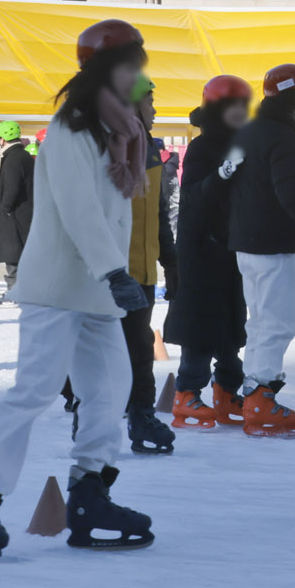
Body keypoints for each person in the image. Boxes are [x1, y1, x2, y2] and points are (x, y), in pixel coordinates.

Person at [0, 19, 158, 560]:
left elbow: (109, 211)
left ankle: (90, 495)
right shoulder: (72, 126)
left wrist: (114, 275)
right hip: (60, 283)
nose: (142, 70)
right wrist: (115, 271)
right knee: (36, 390)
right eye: (135, 60)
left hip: (97, 289)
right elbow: (76, 206)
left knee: (109, 388)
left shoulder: (121, 125)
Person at [224, 63, 295, 437]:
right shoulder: (283, 137)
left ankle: (255, 389)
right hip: (270, 244)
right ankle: (261, 397)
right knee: (277, 322)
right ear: (291, 98)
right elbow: (293, 194)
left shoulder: (250, 132)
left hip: (247, 243)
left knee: (260, 322)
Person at [167, 75, 253, 432]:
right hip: (201, 248)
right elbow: (194, 197)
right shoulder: (204, 147)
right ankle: (187, 391)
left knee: (231, 323)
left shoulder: (239, 142)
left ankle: (226, 390)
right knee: (201, 324)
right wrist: (223, 173)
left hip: (230, 246)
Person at [114, 74, 176, 455]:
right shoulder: (109, 146)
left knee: (138, 349)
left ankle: (140, 415)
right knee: (111, 351)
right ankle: (91, 415)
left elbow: (157, 213)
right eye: (150, 102)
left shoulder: (150, 149)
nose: (155, 110)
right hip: (111, 273)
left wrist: (172, 263)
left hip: (143, 273)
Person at [0, 119, 34, 307]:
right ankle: (19, 289)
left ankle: (16, 291)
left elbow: (12, 186)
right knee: (19, 251)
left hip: (14, 213)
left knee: (13, 252)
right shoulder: (22, 155)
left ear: (2, 139)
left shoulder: (12, 158)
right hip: (24, 212)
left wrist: (5, 207)